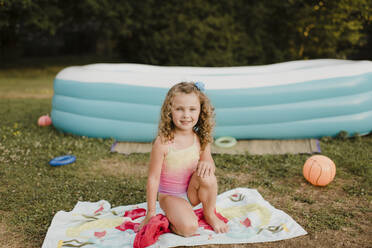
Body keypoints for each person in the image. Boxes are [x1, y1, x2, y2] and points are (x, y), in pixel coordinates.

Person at [138, 82, 229, 237]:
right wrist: (151, 212)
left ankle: (209, 214)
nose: (186, 115)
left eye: (192, 109)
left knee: (208, 176)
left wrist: (207, 160)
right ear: (169, 111)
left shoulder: (200, 137)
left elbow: (209, 163)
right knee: (189, 228)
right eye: (179, 109)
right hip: (170, 196)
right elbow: (153, 179)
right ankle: (169, 221)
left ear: (201, 111)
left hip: (192, 192)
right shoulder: (163, 142)